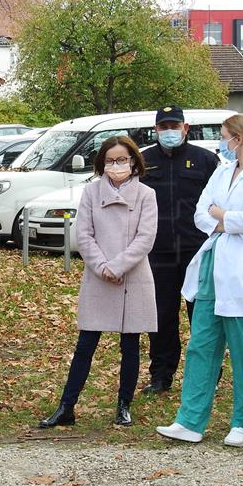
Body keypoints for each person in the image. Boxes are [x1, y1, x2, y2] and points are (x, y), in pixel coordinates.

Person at [157, 114, 243, 448]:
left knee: (242, 349)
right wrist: (224, 220)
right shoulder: (223, 171)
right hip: (213, 263)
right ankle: (190, 420)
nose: (222, 142)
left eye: (225, 136)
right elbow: (200, 212)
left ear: (238, 138)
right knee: (201, 345)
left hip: (241, 271)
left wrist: (220, 215)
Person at [39, 136, 157, 429]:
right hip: (98, 274)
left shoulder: (146, 195)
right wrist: (103, 267)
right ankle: (67, 406)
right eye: (110, 160)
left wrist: (118, 266)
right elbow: (84, 233)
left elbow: (146, 238)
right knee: (86, 343)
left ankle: (124, 405)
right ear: (101, 163)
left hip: (132, 276)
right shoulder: (91, 192)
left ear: (133, 161)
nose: (116, 166)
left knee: (130, 344)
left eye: (122, 159)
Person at [140, 105, 220, 393]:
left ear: (185, 128)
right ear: (156, 130)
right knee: (161, 316)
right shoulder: (144, 160)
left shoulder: (206, 160)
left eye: (175, 126)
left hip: (196, 252)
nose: (169, 132)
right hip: (157, 252)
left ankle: (207, 374)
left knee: (201, 315)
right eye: (164, 127)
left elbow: (220, 202)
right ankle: (161, 375)